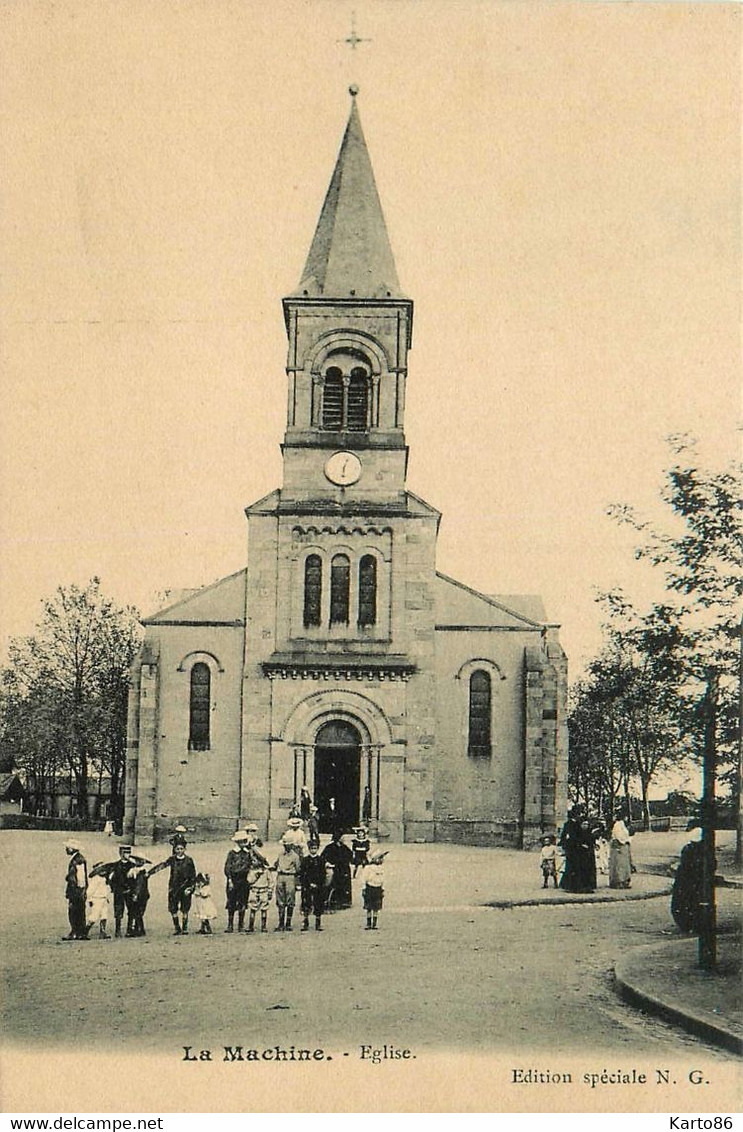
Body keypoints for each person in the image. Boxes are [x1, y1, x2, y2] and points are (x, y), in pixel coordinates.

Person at [147, 842, 197, 934]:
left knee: (185, 908)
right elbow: (162, 865)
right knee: (173, 908)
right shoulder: (172, 859)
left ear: (185, 849)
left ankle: (185, 928)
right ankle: (177, 928)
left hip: (185, 887)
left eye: (181, 849)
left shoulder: (189, 860)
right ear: (174, 850)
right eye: (177, 849)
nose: (179, 851)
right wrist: (150, 873)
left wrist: (191, 888)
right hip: (174, 888)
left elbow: (193, 875)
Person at [671, 825, 708, 933]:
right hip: (694, 879)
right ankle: (693, 923)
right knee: (692, 901)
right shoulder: (703, 849)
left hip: (687, 879)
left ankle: (687, 923)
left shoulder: (688, 849)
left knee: (684, 901)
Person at [273, 834, 303, 932]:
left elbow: (298, 869)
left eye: (288, 845)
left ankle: (288, 923)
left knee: (290, 900)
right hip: (280, 876)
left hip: (290, 877)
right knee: (280, 900)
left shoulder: (295, 856)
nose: (286, 847)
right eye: (285, 845)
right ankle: (281, 923)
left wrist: (297, 883)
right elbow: (276, 864)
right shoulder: (280, 854)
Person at [62, 840, 88, 940]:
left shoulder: (78, 860)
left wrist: (77, 891)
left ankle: (76, 932)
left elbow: (80, 878)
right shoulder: (78, 859)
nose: (66, 849)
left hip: (76, 891)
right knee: (79, 911)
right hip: (78, 890)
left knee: (74, 911)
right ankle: (79, 932)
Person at [559, 804, 588, 893]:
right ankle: (572, 885)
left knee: (572, 866)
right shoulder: (571, 824)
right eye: (578, 814)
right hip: (573, 848)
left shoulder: (573, 824)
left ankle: (569, 884)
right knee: (573, 866)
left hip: (574, 847)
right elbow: (570, 837)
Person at [321, 829, 353, 910]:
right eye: (342, 837)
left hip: (344, 869)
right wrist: (328, 864)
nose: (344, 839)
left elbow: (350, 856)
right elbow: (323, 858)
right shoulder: (329, 847)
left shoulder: (344, 847)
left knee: (345, 883)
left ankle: (344, 901)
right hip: (335, 869)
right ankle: (334, 901)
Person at [299, 841, 326, 931]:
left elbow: (323, 874)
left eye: (315, 848)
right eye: (311, 848)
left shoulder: (321, 860)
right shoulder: (305, 860)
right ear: (309, 849)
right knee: (306, 903)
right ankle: (305, 922)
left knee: (318, 903)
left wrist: (318, 884)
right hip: (307, 885)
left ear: (317, 849)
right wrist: (307, 883)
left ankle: (318, 923)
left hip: (318, 886)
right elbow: (302, 873)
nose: (313, 850)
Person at [246, 857, 273, 934]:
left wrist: (270, 891)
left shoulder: (266, 871)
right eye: (254, 861)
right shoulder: (252, 871)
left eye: (256, 861)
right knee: (252, 909)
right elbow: (249, 881)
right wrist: (255, 876)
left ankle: (263, 926)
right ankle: (251, 926)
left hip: (263, 890)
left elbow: (270, 881)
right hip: (254, 891)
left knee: (264, 909)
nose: (255, 862)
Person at [362, 850, 388, 930]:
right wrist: (364, 887)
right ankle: (369, 923)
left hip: (378, 888)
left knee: (376, 906)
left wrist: (383, 888)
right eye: (380, 858)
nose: (382, 860)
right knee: (369, 906)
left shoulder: (382, 869)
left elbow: (383, 879)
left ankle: (374, 923)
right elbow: (364, 878)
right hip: (370, 887)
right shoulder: (368, 868)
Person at [86, 863, 112, 938]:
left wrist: (107, 898)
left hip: (103, 899)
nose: (104, 871)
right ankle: (85, 931)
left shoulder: (105, 879)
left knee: (104, 915)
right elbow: (90, 891)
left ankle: (102, 932)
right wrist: (89, 899)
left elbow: (107, 889)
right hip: (96, 899)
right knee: (94, 916)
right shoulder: (96, 879)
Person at [608, 812, 632, 889]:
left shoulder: (623, 825)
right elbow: (618, 836)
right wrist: (624, 840)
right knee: (618, 864)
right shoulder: (618, 824)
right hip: (619, 845)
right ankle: (618, 882)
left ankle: (625, 881)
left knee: (624, 864)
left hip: (624, 846)